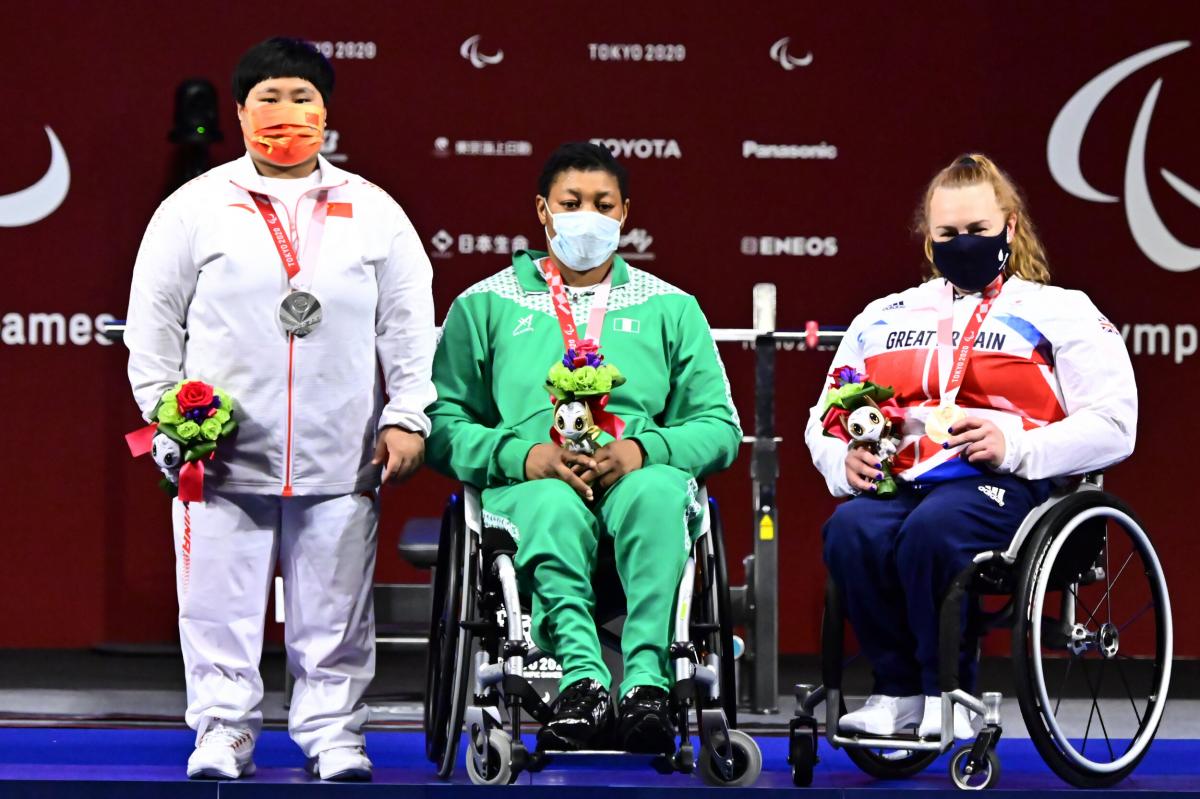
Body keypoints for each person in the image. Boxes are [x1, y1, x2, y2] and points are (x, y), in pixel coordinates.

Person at [124, 37, 436, 781]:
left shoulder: (373, 210)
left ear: (326, 111)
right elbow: (152, 323)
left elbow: (408, 324)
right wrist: (169, 415)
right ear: (238, 112)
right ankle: (225, 730)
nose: (285, 113)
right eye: (268, 98)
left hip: (341, 446)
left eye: (301, 97)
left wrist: (407, 413)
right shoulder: (194, 208)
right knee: (217, 606)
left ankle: (333, 732)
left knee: (335, 609)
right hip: (223, 451)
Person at [805, 154, 1136, 740]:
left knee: (936, 528)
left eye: (979, 231)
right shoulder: (884, 315)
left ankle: (947, 691)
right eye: (948, 234)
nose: (964, 244)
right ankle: (897, 692)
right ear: (928, 239)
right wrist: (841, 458)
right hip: (905, 482)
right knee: (851, 528)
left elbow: (1115, 424)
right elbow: (823, 417)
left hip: (1011, 486)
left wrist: (1014, 443)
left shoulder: (1060, 311)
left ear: (1009, 226)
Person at [425, 142, 741, 754]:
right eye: (572, 203)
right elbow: (442, 423)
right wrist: (523, 456)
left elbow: (719, 428)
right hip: (532, 492)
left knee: (655, 492)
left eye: (603, 204)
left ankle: (647, 683)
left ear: (625, 213)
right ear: (543, 210)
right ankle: (583, 681)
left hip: (634, 484)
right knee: (549, 500)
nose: (587, 216)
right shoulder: (483, 304)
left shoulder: (671, 307)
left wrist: (644, 451)